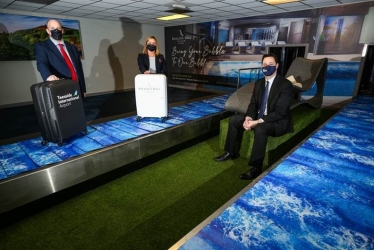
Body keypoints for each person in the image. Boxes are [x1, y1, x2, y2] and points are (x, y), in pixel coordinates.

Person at [214, 53, 294, 180]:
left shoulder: (285, 85)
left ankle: (256, 167)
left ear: (277, 66)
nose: (267, 67)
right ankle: (230, 152)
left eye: (271, 64)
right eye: (264, 64)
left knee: (260, 128)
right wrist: (249, 118)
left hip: (278, 122)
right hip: (259, 116)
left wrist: (258, 121)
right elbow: (253, 104)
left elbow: (280, 112)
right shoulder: (259, 83)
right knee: (234, 119)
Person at [34, 19, 87, 97]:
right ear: (48, 31)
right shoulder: (42, 47)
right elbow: (41, 63)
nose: (56, 31)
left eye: (58, 28)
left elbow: (79, 69)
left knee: (79, 108)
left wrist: (83, 89)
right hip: (59, 87)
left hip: (76, 86)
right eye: (52, 29)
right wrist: (48, 76)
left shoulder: (72, 47)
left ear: (62, 30)